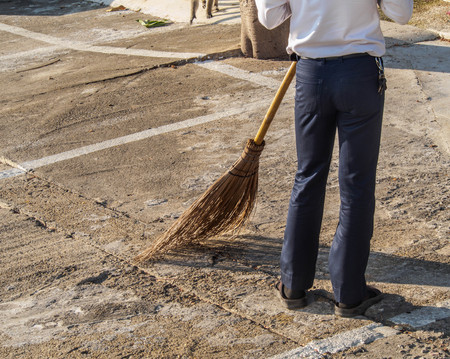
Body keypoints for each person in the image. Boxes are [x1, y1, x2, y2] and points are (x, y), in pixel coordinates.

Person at [254, 0, 413, 317]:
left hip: (312, 75)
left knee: (308, 176)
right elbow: (401, 13)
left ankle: (293, 285)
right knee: (357, 184)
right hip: (359, 74)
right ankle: (349, 293)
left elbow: (270, 18)